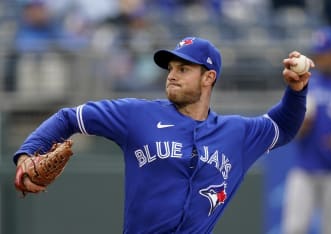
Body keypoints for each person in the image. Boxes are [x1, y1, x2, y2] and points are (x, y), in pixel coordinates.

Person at [13, 37, 313, 233]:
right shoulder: (136, 115)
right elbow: (69, 118)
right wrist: (28, 154)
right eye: (171, 67)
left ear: (209, 77)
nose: (172, 74)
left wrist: (296, 91)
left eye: (184, 68)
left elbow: (283, 127)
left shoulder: (236, 132)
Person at [282, 26, 331, 234]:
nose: (319, 58)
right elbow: (293, 130)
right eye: (317, 54)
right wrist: (301, 125)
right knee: (294, 228)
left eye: (324, 54)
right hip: (305, 168)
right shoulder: (308, 83)